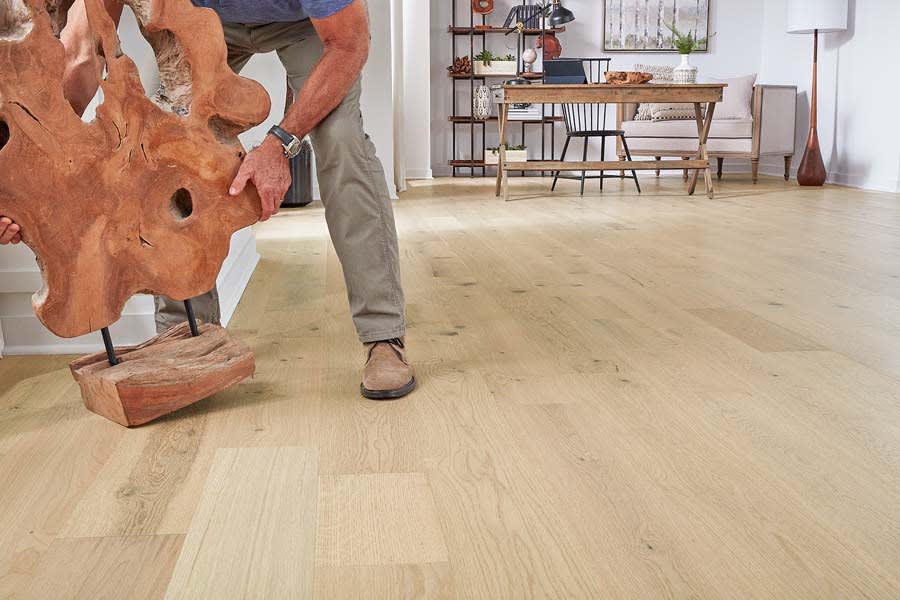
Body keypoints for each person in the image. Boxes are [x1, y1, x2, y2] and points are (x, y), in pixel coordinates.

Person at [0, 0, 415, 400]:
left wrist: (280, 143)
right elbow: (81, 55)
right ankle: (184, 334)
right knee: (159, 140)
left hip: (306, 27)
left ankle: (383, 335)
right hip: (203, 18)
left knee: (342, 143)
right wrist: (33, 179)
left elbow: (348, 45)